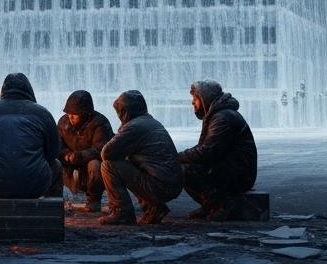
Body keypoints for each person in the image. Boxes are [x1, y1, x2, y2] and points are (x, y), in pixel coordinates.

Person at [0, 72, 60, 199]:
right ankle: (52, 209)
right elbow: (53, 152)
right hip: (34, 186)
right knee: (56, 165)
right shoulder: (43, 114)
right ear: (29, 90)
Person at [99, 90, 182, 226]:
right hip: (171, 184)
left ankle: (121, 213)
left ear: (125, 111)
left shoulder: (134, 127)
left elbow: (106, 153)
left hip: (160, 186)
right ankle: (154, 207)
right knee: (132, 164)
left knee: (109, 166)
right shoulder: (150, 122)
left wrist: (122, 130)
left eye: (119, 111)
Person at [179, 80, 257, 221]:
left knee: (184, 170)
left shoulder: (222, 117)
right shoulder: (217, 115)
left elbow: (207, 152)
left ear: (205, 98)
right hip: (233, 169)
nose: (192, 102)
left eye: (195, 98)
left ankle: (222, 206)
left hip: (238, 173)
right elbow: (205, 149)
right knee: (187, 166)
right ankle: (210, 206)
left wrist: (177, 157)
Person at [58, 90, 113, 212]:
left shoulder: (100, 123)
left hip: (90, 169)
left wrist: (79, 156)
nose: (70, 117)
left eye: (75, 114)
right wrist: (66, 155)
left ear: (85, 114)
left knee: (95, 164)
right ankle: (54, 199)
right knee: (53, 163)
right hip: (69, 165)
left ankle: (94, 200)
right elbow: (56, 145)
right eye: (68, 113)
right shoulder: (63, 122)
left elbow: (102, 149)